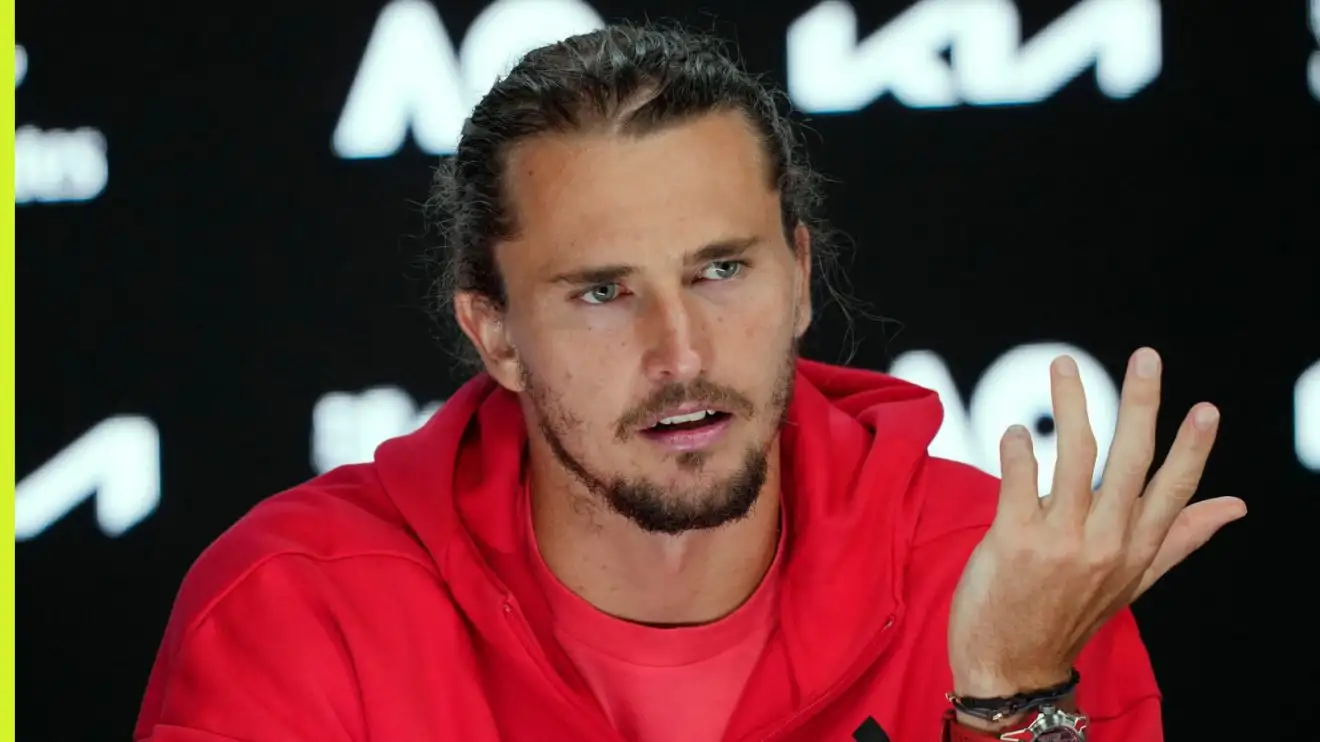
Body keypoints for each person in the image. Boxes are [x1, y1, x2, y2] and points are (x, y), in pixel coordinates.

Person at [133, 22, 1246, 742]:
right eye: (601, 292)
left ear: (799, 276)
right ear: (495, 334)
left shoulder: (1011, 581)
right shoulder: (296, 608)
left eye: (721, 270)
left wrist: (1009, 698)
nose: (681, 355)